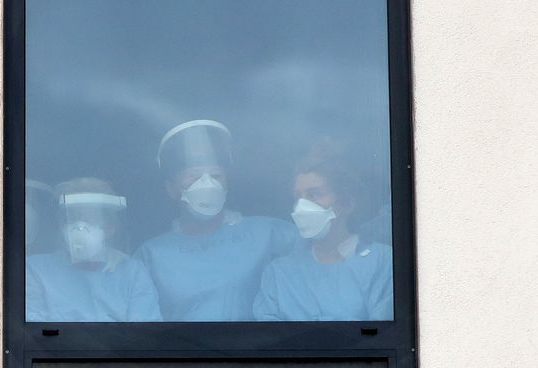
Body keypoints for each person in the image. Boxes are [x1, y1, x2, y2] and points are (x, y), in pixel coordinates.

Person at [135, 120, 299, 321]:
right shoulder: (151, 255)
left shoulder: (269, 233)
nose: (207, 184)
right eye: (192, 176)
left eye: (216, 175)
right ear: (171, 188)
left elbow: (322, 258)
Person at [253, 141, 394, 321]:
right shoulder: (278, 273)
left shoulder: (382, 262)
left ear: (346, 203)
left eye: (314, 195)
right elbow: (270, 339)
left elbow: (381, 337)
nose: (301, 206)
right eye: (298, 197)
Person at [26, 178, 162, 322]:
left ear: (109, 227)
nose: (80, 227)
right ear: (62, 226)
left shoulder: (132, 272)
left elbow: (144, 333)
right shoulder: (36, 270)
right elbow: (34, 335)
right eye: (72, 218)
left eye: (90, 218)